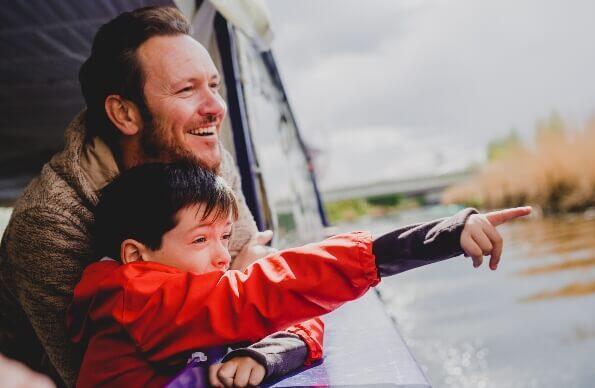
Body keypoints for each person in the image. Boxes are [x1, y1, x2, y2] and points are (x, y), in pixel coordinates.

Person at [68, 162, 531, 387]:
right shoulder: (137, 300)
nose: (219, 257)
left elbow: (288, 313)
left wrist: (269, 352)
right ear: (136, 255)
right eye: (198, 240)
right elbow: (268, 291)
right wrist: (434, 238)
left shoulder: (189, 299)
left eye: (223, 238)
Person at [0, 6, 273, 387]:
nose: (215, 108)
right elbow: (101, 376)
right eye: (187, 89)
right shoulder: (51, 219)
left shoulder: (206, 157)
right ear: (125, 113)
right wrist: (240, 279)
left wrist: (244, 289)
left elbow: (264, 286)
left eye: (214, 85)